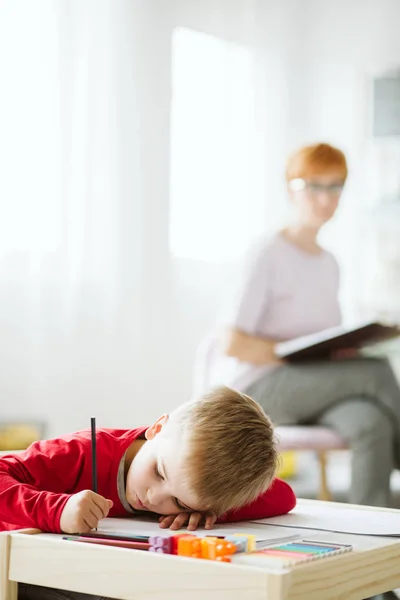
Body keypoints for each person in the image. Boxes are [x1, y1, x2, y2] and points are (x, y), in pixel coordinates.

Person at [206, 142, 400, 509]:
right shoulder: (267, 252)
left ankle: (371, 535)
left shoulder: (330, 263)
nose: (324, 197)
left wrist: (338, 352)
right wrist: (292, 356)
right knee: (376, 372)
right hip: (262, 388)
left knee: (373, 422)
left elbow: (324, 335)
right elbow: (231, 342)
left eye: (334, 186)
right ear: (290, 189)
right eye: (313, 185)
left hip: (315, 387)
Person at [0, 386, 295, 534]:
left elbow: (284, 497)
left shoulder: (191, 488)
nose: (154, 498)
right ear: (157, 428)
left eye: (179, 502)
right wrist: (56, 510)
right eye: (159, 473)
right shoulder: (78, 451)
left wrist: (212, 510)